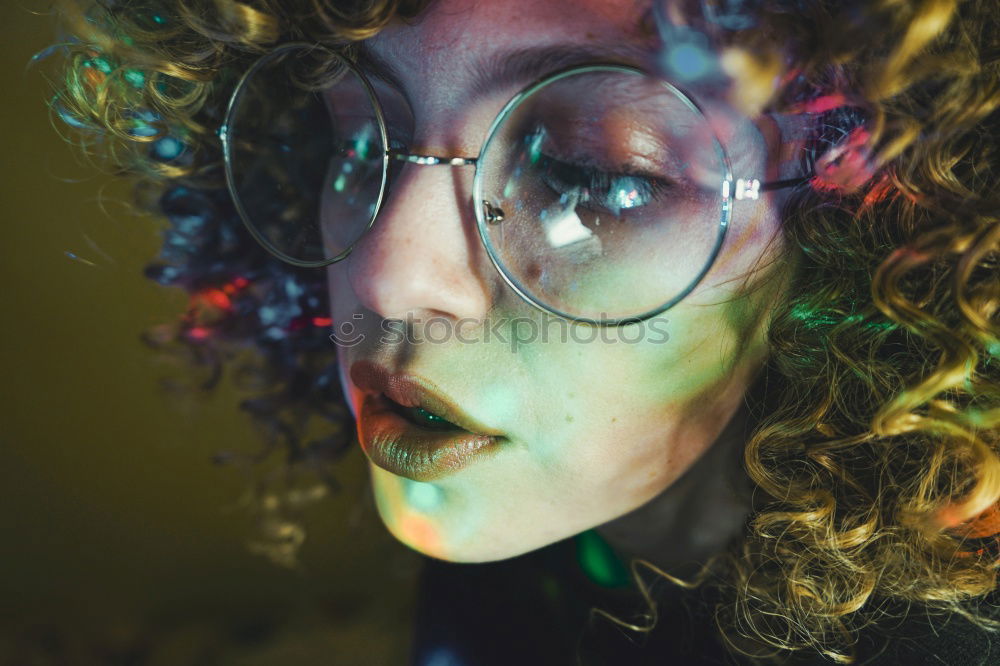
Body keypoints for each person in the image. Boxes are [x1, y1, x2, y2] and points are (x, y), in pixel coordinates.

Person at [46, 0, 999, 663]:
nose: (389, 273)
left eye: (597, 178)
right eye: (358, 134)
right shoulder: (542, 531)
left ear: (864, 235)